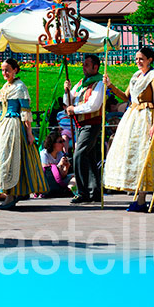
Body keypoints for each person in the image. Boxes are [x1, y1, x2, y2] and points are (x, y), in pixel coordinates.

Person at [103, 45, 154, 212]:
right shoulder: (136, 75)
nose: (137, 61)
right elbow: (126, 96)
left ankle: (143, 196)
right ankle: (138, 195)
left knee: (146, 155)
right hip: (133, 116)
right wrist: (111, 85)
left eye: (141, 59)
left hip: (148, 116)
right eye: (136, 59)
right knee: (134, 156)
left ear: (149, 60)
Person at [0, 57, 45, 209]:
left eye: (7, 70)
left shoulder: (20, 87)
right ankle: (10, 193)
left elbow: (26, 111)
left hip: (14, 126)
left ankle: (12, 194)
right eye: (2, 70)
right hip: (2, 124)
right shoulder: (6, 87)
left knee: (10, 159)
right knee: (1, 158)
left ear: (15, 70)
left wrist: (29, 132)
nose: (4, 73)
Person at [64, 53, 105, 204]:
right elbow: (68, 99)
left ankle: (83, 192)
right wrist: (67, 91)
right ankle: (94, 191)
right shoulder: (82, 83)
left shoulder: (99, 83)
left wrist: (74, 109)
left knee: (79, 155)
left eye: (87, 64)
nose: (84, 67)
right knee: (89, 157)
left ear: (96, 67)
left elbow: (94, 105)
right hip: (80, 124)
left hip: (91, 124)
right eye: (83, 64)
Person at [40, 128, 72, 197]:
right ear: (53, 143)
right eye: (60, 142)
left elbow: (61, 176)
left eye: (63, 141)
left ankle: (70, 192)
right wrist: (59, 165)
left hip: (58, 181)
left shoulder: (60, 154)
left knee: (74, 177)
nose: (63, 144)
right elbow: (47, 174)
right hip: (47, 182)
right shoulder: (44, 154)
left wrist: (66, 168)